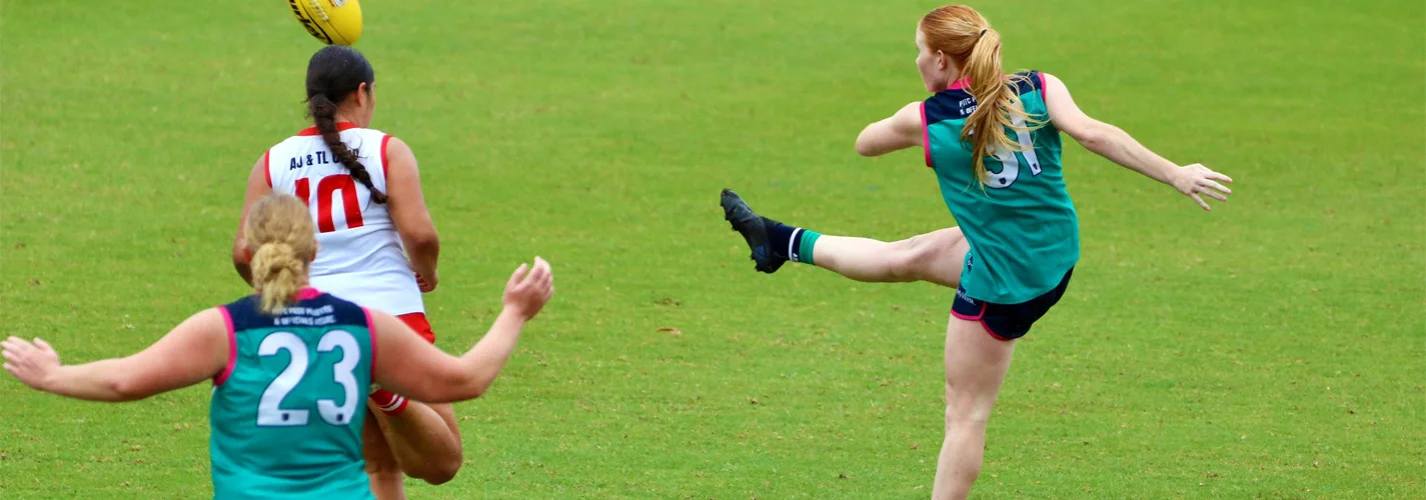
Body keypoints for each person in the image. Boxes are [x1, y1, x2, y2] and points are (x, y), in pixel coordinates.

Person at [720, 5, 1232, 499]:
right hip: (1051, 254)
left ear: (941, 59)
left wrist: (926, 113)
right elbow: (1095, 134)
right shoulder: (1038, 87)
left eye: (920, 51)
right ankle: (778, 241)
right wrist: (1176, 173)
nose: (917, 60)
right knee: (909, 257)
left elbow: (864, 144)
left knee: (964, 415)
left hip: (1004, 282)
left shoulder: (926, 120)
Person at [2, 194, 554, 500]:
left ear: (249, 251)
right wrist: (513, 313)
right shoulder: (364, 325)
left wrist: (52, 374)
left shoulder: (225, 329)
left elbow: (126, 379)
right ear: (314, 249)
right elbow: (465, 380)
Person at [229, 45, 458, 499]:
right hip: (391, 319)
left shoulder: (273, 160)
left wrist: (284, 292)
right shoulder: (386, 149)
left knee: (377, 463)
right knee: (443, 460)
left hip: (313, 328)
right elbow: (421, 234)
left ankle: (369, 380)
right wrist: (426, 272)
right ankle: (377, 384)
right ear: (363, 92)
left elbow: (243, 252)